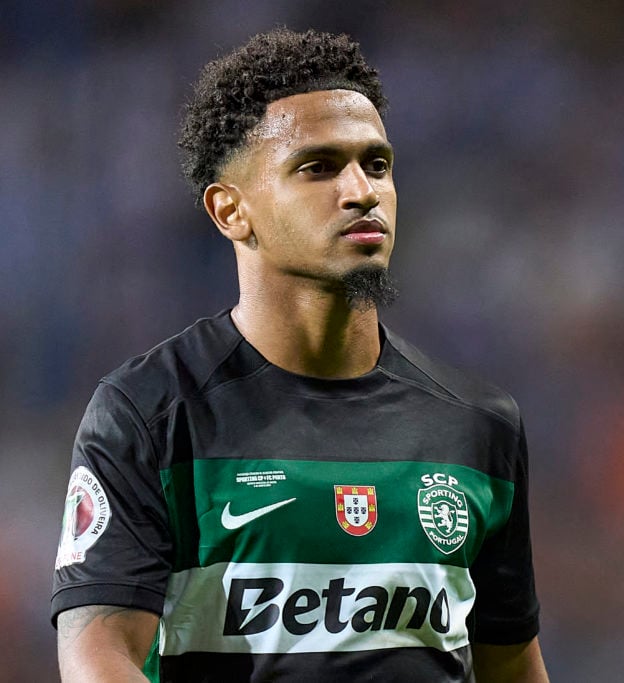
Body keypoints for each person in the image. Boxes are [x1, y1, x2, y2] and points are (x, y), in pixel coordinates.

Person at [51, 28, 548, 682]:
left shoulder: (479, 424)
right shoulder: (149, 413)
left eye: (376, 164)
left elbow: (511, 663)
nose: (361, 190)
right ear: (232, 211)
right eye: (318, 167)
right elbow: (98, 652)